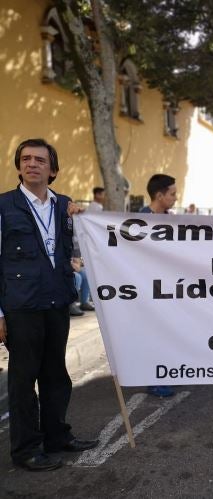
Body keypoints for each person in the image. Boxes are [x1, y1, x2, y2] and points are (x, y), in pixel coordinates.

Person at [0, 138, 98, 471]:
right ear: (19, 166)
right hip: (21, 306)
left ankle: (57, 436)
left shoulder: (65, 205)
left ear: (52, 170)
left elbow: (78, 246)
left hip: (57, 301)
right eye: (26, 159)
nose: (32, 164)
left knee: (56, 374)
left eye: (40, 160)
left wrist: (84, 220)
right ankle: (26, 449)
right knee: (23, 381)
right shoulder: (3, 206)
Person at [140, 174, 178, 398]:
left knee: (168, 332)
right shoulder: (140, 220)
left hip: (170, 288)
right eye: (172, 194)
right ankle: (154, 378)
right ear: (159, 195)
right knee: (153, 333)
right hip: (148, 288)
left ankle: (166, 372)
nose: (175, 198)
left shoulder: (172, 220)